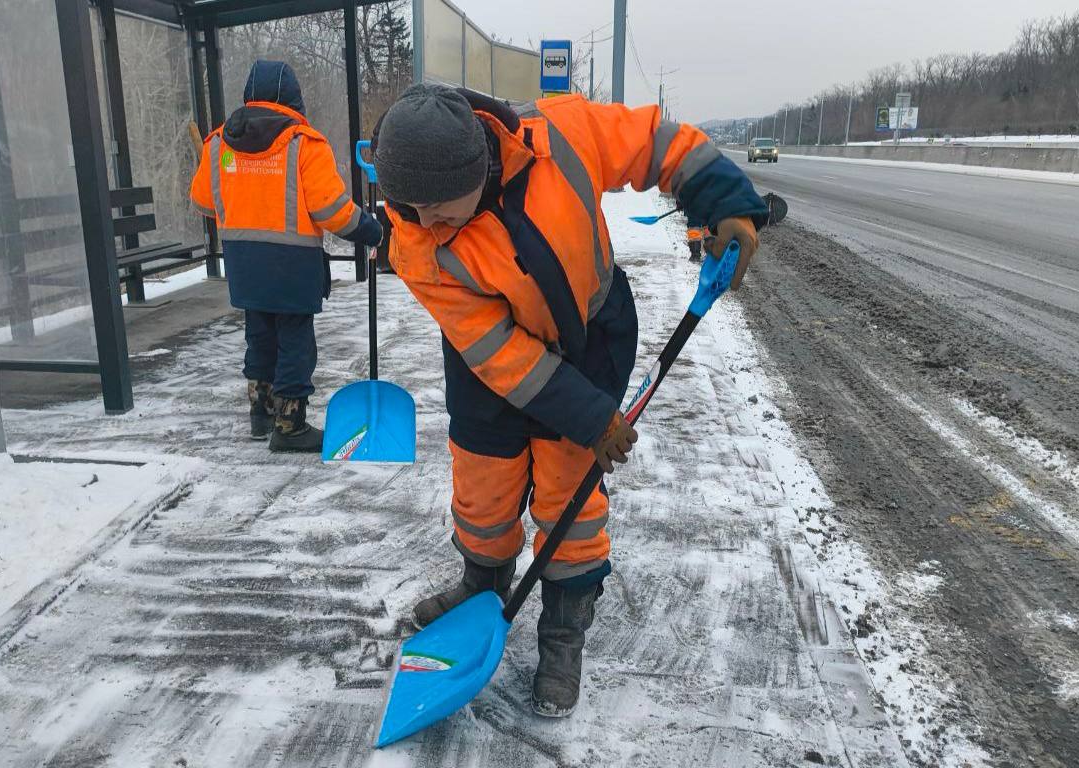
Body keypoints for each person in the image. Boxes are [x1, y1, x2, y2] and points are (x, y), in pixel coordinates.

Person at [372, 83, 768, 717]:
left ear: (477, 169)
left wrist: (720, 197)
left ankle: (564, 623)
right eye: (405, 205)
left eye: (438, 207)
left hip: (589, 336)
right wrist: (590, 415)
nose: (423, 223)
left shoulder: (562, 134)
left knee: (568, 490)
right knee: (484, 482)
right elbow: (501, 354)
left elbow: (653, 141)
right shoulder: (414, 244)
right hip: (490, 367)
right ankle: (483, 586)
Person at [191, 60, 382, 452]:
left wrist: (236, 182)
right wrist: (370, 229)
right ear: (294, 98)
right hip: (292, 267)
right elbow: (332, 210)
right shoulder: (303, 144)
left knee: (259, 335)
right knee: (295, 343)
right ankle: (290, 425)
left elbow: (204, 202)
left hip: (244, 264)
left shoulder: (217, 145)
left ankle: (260, 413)